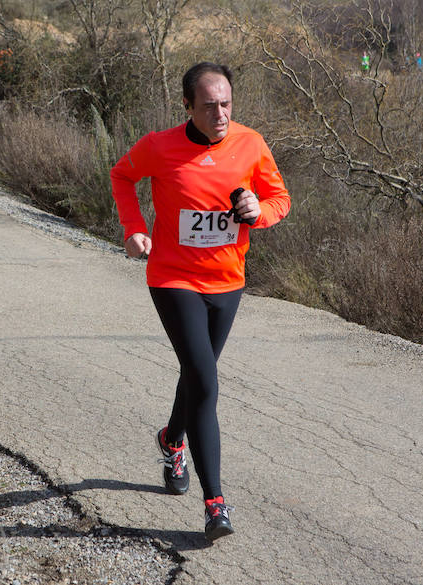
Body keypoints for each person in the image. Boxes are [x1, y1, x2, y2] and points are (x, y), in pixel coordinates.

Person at [110, 62, 291, 542]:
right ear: (188, 105)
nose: (221, 113)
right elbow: (122, 176)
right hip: (173, 278)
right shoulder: (159, 146)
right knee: (206, 381)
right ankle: (215, 503)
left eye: (227, 103)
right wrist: (134, 228)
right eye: (209, 105)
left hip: (228, 281)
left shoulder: (251, 144)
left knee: (197, 371)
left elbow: (279, 199)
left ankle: (171, 439)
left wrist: (259, 211)